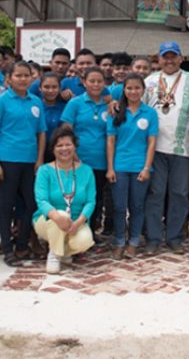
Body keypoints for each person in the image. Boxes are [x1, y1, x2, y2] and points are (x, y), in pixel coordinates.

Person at [142, 41, 189, 254]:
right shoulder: (148, 82)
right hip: (155, 149)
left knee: (179, 194)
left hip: (182, 148)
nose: (169, 60)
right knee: (155, 194)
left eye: (173, 56)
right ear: (158, 59)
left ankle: (175, 237)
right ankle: (153, 238)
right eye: (165, 56)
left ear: (180, 58)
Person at [0, 61, 46, 266]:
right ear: (9, 79)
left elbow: (41, 133)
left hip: (29, 161)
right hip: (7, 160)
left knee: (31, 204)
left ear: (32, 78)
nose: (22, 79)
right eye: (18, 76)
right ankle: (8, 248)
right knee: (6, 205)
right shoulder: (0, 102)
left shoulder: (36, 102)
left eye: (26, 75)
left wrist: (39, 159)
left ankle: (22, 244)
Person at [106, 74, 158, 259]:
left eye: (137, 88)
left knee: (137, 207)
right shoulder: (116, 111)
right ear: (124, 90)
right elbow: (111, 141)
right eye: (129, 88)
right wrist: (110, 168)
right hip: (119, 166)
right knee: (119, 207)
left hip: (140, 167)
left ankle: (134, 241)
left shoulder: (150, 113)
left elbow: (152, 142)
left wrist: (146, 168)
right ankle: (119, 241)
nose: (133, 91)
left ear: (143, 90)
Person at [33, 126, 96, 274]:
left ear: (75, 146)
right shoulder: (45, 171)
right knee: (61, 216)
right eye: (59, 145)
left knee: (85, 240)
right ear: (53, 149)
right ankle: (54, 254)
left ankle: (65, 251)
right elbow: (41, 200)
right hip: (47, 220)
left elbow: (90, 201)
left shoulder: (86, 171)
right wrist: (57, 216)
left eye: (68, 144)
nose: (64, 149)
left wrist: (78, 222)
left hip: (76, 220)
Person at [61, 66, 111, 238]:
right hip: (78, 160)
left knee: (95, 199)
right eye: (92, 81)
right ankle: (73, 232)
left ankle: (89, 233)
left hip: (102, 161)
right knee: (77, 198)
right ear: (84, 82)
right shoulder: (75, 103)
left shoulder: (109, 104)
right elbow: (66, 132)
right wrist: (73, 157)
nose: (96, 85)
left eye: (100, 81)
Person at [32, 72, 66, 161]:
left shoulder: (65, 107)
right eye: (46, 87)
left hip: (60, 151)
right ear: (40, 88)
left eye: (54, 87)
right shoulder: (34, 106)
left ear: (60, 88)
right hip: (37, 151)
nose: (50, 91)